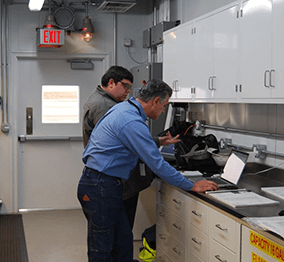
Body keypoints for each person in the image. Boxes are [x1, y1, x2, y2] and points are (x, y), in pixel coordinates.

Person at [78, 78, 218, 262]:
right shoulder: (131, 120)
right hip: (100, 186)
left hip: (103, 184)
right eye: (164, 105)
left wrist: (159, 141)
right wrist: (191, 186)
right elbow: (157, 164)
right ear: (155, 101)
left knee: (122, 243)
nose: (163, 111)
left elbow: (132, 141)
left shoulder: (124, 109)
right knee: (102, 248)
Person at [82, 66, 180, 232]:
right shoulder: (107, 106)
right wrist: (191, 186)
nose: (128, 91)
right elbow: (153, 160)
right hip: (108, 180)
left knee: (117, 237)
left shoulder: (118, 107)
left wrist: (155, 141)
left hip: (104, 176)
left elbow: (122, 138)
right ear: (111, 83)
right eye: (126, 86)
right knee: (108, 239)